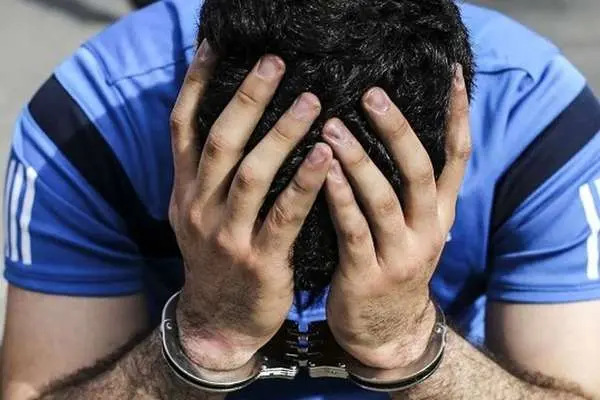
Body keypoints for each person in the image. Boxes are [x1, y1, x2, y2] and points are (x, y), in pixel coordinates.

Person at [2, 0, 600, 398]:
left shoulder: (538, 125)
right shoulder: (88, 125)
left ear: (453, 142)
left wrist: (405, 341)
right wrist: (209, 335)